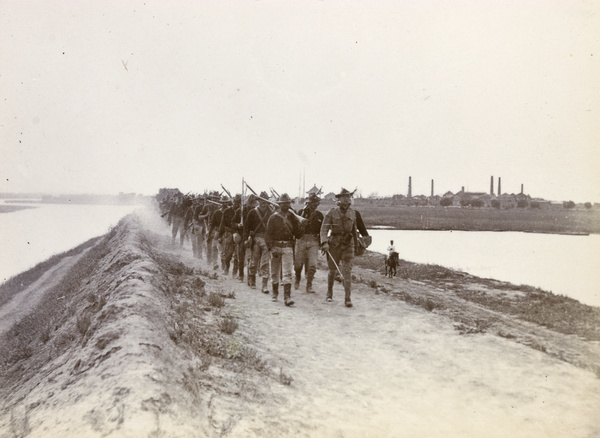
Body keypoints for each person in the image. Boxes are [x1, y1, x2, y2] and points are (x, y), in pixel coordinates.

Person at [320, 188, 369, 307]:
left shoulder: (353, 213)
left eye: (348, 197)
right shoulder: (331, 212)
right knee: (332, 270)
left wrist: (357, 246)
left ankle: (347, 298)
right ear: (339, 199)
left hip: (348, 245)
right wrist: (325, 243)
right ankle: (329, 293)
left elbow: (354, 229)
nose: (346, 199)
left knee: (347, 271)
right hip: (334, 244)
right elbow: (324, 229)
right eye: (344, 197)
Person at [266, 193, 301, 306]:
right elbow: (268, 235)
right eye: (283, 204)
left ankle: (287, 297)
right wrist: (271, 248)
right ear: (279, 205)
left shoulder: (293, 217)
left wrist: (302, 226)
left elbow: (298, 234)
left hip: (288, 247)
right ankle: (275, 293)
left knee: (287, 273)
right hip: (275, 246)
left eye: (287, 203)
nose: (285, 206)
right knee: (274, 272)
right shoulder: (273, 217)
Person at [294, 192, 324, 293]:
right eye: (312, 203)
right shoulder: (301, 213)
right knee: (298, 264)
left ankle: (309, 285)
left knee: (312, 265)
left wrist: (322, 243)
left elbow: (322, 230)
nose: (314, 205)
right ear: (308, 203)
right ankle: (297, 278)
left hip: (313, 241)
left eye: (316, 203)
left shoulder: (319, 215)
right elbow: (295, 228)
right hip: (301, 239)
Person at [245, 191, 273, 292]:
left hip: (266, 240)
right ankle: (252, 279)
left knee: (265, 262)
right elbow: (246, 228)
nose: (263, 203)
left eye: (265, 201)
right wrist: (246, 239)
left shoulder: (271, 213)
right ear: (258, 201)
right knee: (254, 261)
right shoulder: (252, 212)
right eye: (261, 200)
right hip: (256, 239)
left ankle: (264, 285)